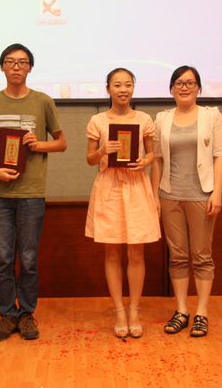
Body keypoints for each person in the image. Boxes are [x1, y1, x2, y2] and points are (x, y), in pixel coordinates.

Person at [0, 43, 67, 342]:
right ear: (2, 67)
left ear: (30, 68)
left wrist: (38, 144)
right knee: (4, 259)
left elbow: (61, 143)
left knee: (28, 259)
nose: (16, 67)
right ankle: (7, 315)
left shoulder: (43, 101)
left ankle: (27, 313)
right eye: (10, 61)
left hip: (31, 193)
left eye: (22, 62)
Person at [151, 66, 222, 337]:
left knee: (202, 256)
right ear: (171, 88)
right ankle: (181, 310)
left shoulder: (211, 116)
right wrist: (155, 195)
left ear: (198, 88)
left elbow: (220, 155)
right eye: (179, 83)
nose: (184, 87)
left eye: (190, 82)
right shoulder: (162, 119)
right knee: (178, 256)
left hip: (202, 195)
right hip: (170, 195)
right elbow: (157, 160)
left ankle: (202, 313)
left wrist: (216, 192)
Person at [85, 68, 161, 339]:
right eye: (117, 85)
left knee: (137, 252)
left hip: (136, 186)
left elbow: (152, 154)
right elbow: (90, 160)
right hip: (109, 188)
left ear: (133, 88)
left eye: (128, 84)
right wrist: (101, 151)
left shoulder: (144, 119)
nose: (123, 90)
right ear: (108, 89)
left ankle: (135, 310)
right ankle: (119, 310)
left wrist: (144, 162)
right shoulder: (97, 121)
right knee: (112, 253)